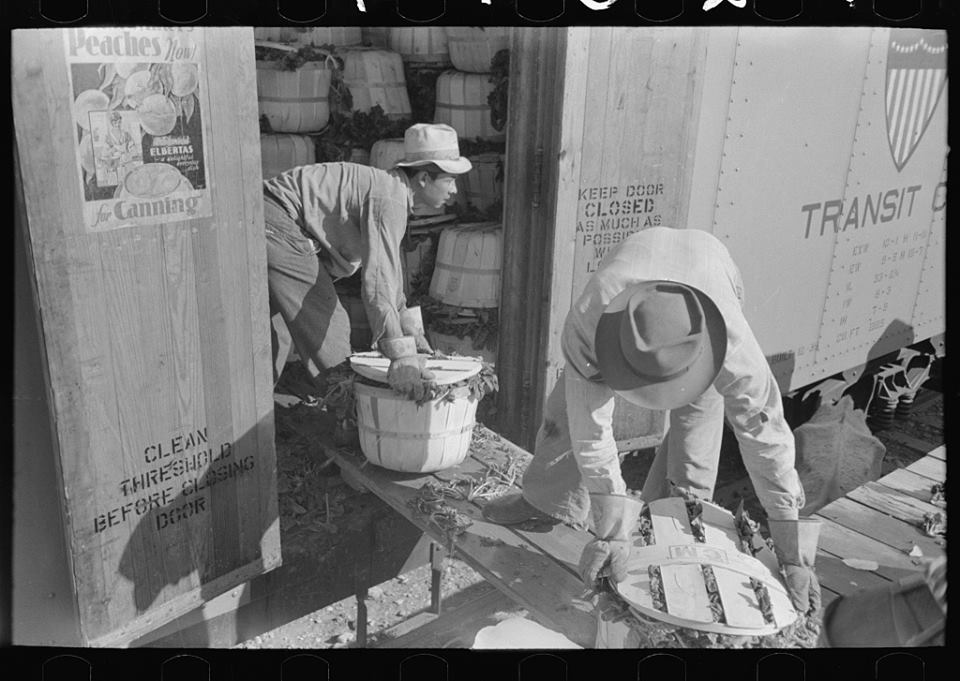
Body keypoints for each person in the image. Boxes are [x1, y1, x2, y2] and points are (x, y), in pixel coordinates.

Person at [482, 226, 821, 616]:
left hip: (711, 272)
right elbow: (592, 433)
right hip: (637, 273)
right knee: (567, 416)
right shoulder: (590, 320)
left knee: (696, 435)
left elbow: (766, 435)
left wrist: (793, 554)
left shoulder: (731, 343)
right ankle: (547, 500)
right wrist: (612, 534)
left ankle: (678, 533)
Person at [263, 123, 471, 399]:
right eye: (450, 180)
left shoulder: (391, 191)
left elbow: (392, 282)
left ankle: (257, 410)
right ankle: (348, 406)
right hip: (278, 218)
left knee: (274, 333)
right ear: (423, 178)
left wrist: (415, 340)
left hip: (269, 215)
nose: (455, 190)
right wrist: (401, 357)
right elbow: (378, 283)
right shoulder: (389, 199)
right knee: (329, 323)